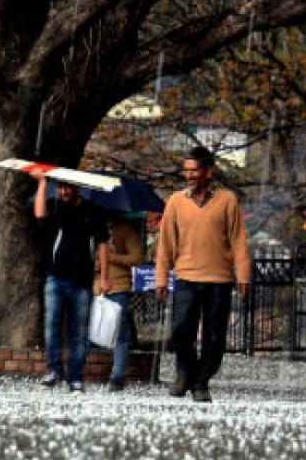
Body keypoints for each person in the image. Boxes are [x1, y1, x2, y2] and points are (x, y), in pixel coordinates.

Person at [155, 146, 251, 403]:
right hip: (186, 276)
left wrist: (243, 276)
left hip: (218, 279)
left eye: (194, 170)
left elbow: (239, 240)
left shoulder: (227, 200)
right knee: (180, 331)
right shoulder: (176, 201)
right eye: (186, 171)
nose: (189, 175)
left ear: (209, 171)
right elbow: (165, 244)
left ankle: (201, 382)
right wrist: (162, 278)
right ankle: (185, 373)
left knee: (215, 335)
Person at [34, 176, 110, 392]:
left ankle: (76, 376)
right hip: (55, 277)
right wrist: (42, 184)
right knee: (51, 326)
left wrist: (104, 276)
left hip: (82, 281)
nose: (64, 192)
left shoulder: (93, 210)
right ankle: (54, 370)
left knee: (79, 331)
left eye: (67, 187)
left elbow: (103, 244)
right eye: (60, 188)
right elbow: (39, 214)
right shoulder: (55, 207)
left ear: (77, 187)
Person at [98, 215, 144, 391]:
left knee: (120, 333)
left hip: (118, 287)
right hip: (95, 287)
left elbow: (137, 257)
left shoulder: (125, 231)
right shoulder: (92, 229)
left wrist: (113, 258)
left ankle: (117, 376)